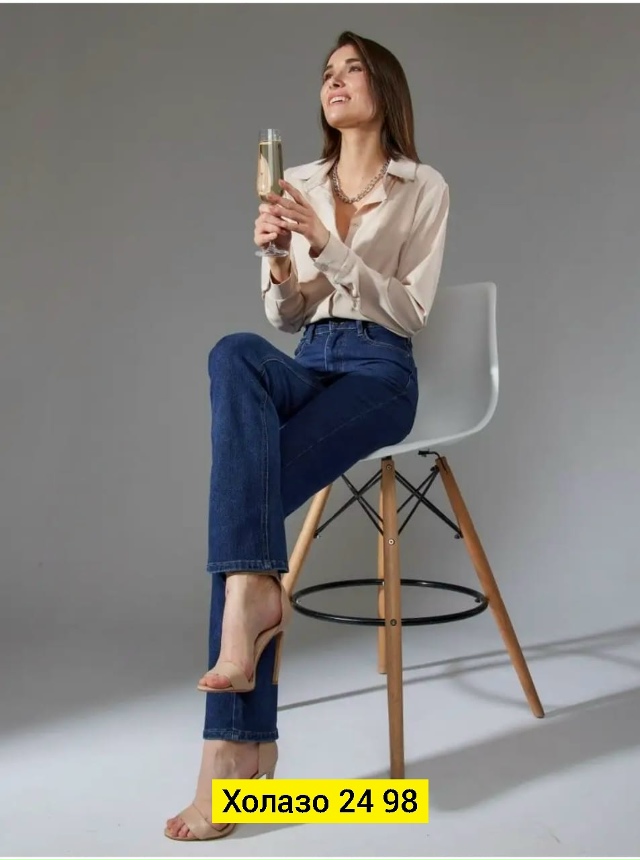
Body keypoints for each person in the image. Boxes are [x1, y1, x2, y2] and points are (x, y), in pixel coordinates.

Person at [164, 30, 449, 841]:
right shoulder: (297, 183)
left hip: (379, 375)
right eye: (327, 72)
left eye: (352, 68)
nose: (335, 80)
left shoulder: (423, 186)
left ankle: (231, 759)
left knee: (242, 514)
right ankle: (253, 640)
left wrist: (328, 246)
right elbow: (284, 316)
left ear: (384, 87)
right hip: (310, 358)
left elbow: (411, 311)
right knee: (234, 352)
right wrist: (283, 266)